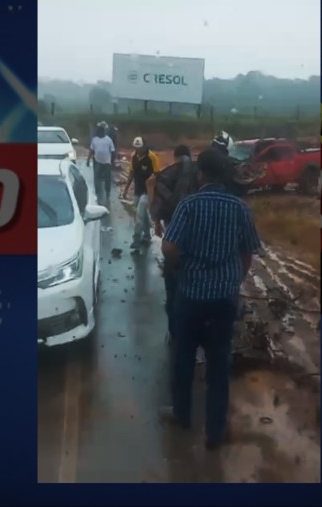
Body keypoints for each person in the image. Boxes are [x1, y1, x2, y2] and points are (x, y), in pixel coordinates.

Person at [160, 148, 262, 450]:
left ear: (201, 174)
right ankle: (215, 433)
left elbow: (168, 248)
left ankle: (181, 415)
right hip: (224, 300)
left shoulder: (189, 205)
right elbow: (248, 252)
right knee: (219, 365)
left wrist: (182, 267)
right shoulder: (240, 208)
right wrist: (234, 281)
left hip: (191, 296)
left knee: (183, 359)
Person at [148, 145, 197, 341]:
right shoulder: (198, 175)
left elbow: (155, 208)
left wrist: (157, 222)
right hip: (197, 246)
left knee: (173, 290)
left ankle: (175, 333)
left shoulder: (168, 176)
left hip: (174, 242)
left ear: (176, 157)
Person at [121, 136, 160, 249]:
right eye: (136, 147)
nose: (138, 150)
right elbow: (131, 173)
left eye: (140, 147)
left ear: (145, 146)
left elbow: (157, 174)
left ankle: (136, 239)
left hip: (148, 191)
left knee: (139, 214)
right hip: (138, 190)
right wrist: (126, 189)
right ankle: (147, 236)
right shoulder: (134, 157)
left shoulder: (152, 157)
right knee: (143, 215)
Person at [87, 122, 115, 207]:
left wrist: (113, 161)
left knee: (107, 178)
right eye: (98, 130)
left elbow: (113, 151)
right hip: (97, 161)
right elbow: (91, 150)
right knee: (97, 177)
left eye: (101, 130)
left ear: (103, 131)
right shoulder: (94, 140)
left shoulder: (108, 140)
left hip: (107, 162)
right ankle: (97, 192)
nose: (99, 132)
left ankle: (107, 192)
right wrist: (88, 160)